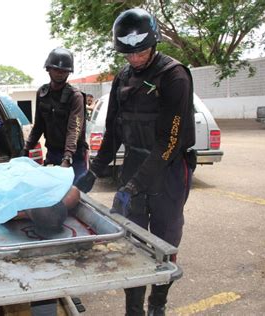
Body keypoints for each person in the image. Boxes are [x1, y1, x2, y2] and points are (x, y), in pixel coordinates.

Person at [75, 8, 196, 316]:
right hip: (134, 163)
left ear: (153, 44)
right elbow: (114, 130)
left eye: (141, 51)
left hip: (168, 168)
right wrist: (94, 171)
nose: (135, 58)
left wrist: (135, 185)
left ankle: (158, 304)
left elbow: (170, 140)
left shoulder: (174, 76)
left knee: (164, 241)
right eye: (128, 54)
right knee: (132, 243)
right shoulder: (123, 79)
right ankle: (133, 309)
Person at [22, 47, 89, 182]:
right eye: (56, 70)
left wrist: (67, 158)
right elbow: (38, 126)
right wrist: (26, 148)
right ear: (48, 69)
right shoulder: (42, 93)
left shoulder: (75, 96)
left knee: (76, 195)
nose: (60, 74)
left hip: (74, 155)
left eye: (64, 71)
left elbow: (74, 130)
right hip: (53, 152)